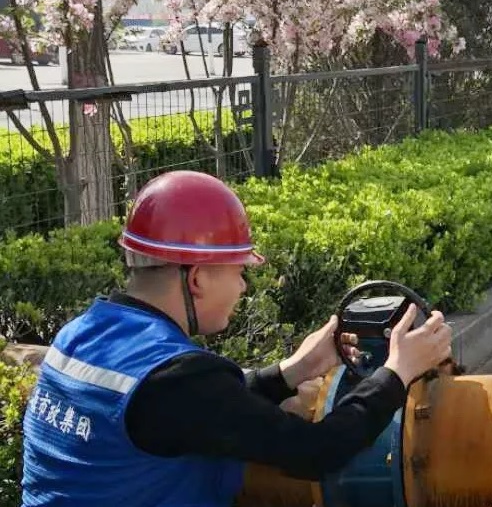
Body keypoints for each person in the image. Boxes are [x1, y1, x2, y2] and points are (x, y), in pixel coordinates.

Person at [20, 170, 452, 507]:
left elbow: (200, 411)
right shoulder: (177, 379)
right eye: (238, 271)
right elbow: (317, 451)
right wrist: (398, 373)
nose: (244, 286)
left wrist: (295, 370)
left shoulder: (79, 335)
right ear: (197, 278)